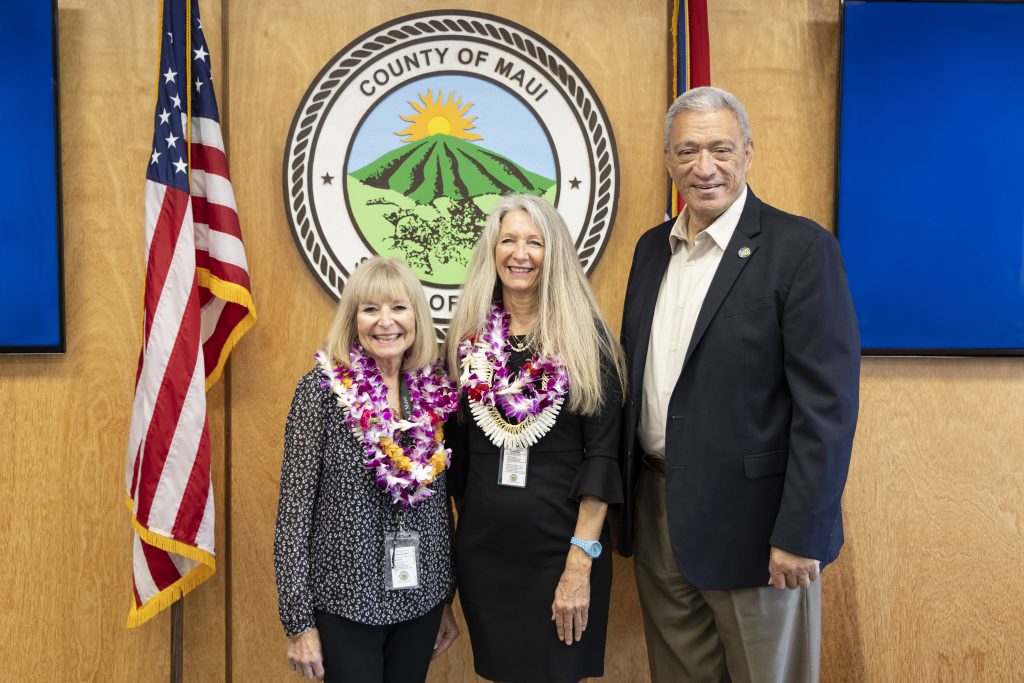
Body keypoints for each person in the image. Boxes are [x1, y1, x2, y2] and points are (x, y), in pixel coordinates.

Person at [619, 86, 861, 682]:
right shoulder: (652, 250)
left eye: (721, 149)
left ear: (749, 152)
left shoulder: (801, 249)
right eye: (688, 151)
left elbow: (826, 408)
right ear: (669, 160)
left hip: (761, 532)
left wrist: (802, 532)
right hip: (659, 515)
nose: (705, 167)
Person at [445, 194, 627, 683]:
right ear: (492, 250)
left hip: (562, 555)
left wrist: (578, 565)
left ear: (555, 253)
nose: (519, 253)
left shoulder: (588, 342)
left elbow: (603, 457)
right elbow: (455, 460)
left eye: (534, 242)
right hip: (486, 555)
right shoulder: (466, 340)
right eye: (508, 240)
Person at [273, 256, 461, 682]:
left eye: (398, 307)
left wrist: (445, 596)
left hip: (422, 597)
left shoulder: (433, 391)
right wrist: (299, 622)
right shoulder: (320, 392)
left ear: (416, 315)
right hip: (345, 600)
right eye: (370, 308)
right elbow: (293, 515)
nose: (385, 322)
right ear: (353, 319)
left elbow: (440, 507)